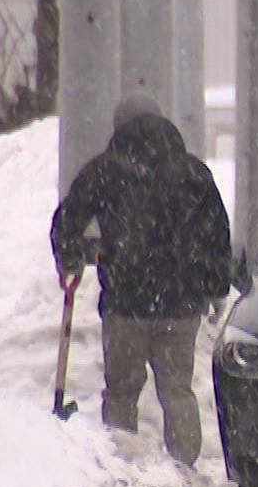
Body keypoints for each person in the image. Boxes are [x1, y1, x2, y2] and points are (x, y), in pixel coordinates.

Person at [51, 91, 232, 466]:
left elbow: (68, 218)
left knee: (121, 391)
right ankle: (185, 466)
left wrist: (69, 256)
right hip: (180, 306)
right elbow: (217, 232)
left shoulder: (103, 170)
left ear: (119, 128)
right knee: (178, 390)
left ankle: (122, 466)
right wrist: (215, 286)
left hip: (125, 303)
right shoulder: (193, 172)